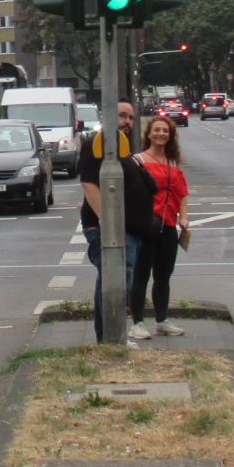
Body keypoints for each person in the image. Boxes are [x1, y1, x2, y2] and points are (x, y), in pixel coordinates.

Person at [78, 101, 157, 342]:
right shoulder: (98, 143)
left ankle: (111, 337)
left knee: (117, 281)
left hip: (129, 230)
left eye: (131, 118)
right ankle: (111, 339)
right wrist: (108, 222)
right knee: (115, 282)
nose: (127, 122)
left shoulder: (121, 146)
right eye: (122, 116)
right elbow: (89, 184)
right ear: (108, 116)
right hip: (113, 230)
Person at [129, 113, 190, 340]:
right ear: (148, 134)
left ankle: (161, 320)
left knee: (163, 275)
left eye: (165, 131)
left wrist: (184, 218)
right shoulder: (138, 161)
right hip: (147, 225)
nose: (161, 134)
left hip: (169, 225)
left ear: (170, 136)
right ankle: (137, 323)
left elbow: (182, 193)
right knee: (141, 274)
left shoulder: (173, 163)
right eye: (157, 130)